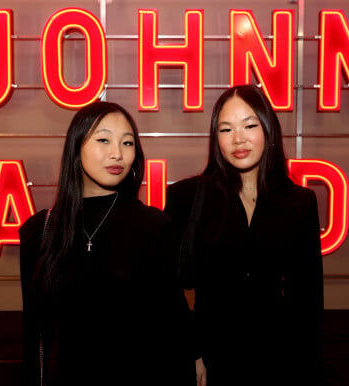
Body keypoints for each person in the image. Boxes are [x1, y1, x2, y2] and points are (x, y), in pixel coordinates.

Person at [19, 101, 195, 386]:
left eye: (127, 143)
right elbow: (35, 333)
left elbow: (172, 322)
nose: (117, 154)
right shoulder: (41, 231)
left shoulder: (154, 226)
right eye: (104, 140)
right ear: (76, 147)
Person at [164, 84, 324, 385]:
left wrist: (310, 369)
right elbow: (165, 288)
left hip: (281, 360)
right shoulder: (187, 197)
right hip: (212, 359)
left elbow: (309, 300)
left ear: (268, 130)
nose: (238, 138)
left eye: (249, 125)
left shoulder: (299, 202)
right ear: (216, 139)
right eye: (226, 129)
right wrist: (191, 352)